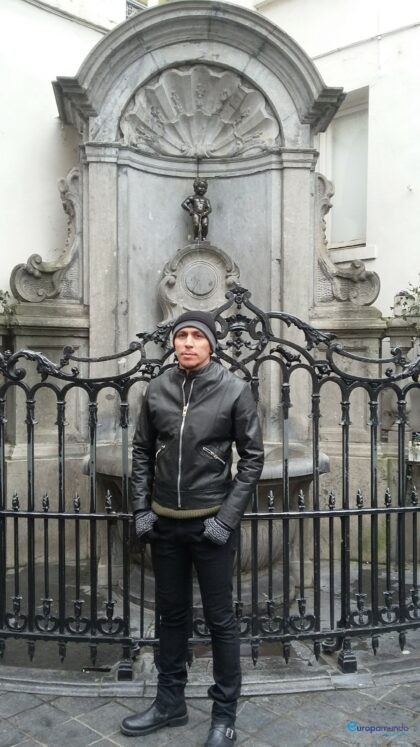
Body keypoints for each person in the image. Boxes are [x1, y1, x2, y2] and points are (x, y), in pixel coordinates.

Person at [121, 310, 264, 746]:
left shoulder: (234, 390)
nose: (187, 342)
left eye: (196, 336)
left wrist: (226, 519)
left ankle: (224, 715)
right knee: (171, 616)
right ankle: (170, 703)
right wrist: (141, 508)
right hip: (165, 524)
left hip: (212, 526)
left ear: (211, 345)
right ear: (174, 343)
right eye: (181, 335)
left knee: (221, 621)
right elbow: (141, 451)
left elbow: (253, 459)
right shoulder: (157, 389)